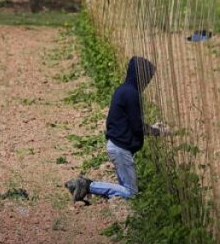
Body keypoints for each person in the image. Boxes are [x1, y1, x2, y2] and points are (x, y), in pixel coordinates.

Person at [66, 56, 162, 202]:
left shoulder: (123, 90)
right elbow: (137, 126)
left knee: (124, 189)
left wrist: (151, 128)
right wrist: (157, 131)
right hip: (121, 149)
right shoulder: (132, 94)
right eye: (147, 78)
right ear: (140, 76)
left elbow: (127, 122)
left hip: (115, 145)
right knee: (131, 192)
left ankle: (89, 186)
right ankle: (88, 185)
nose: (147, 83)